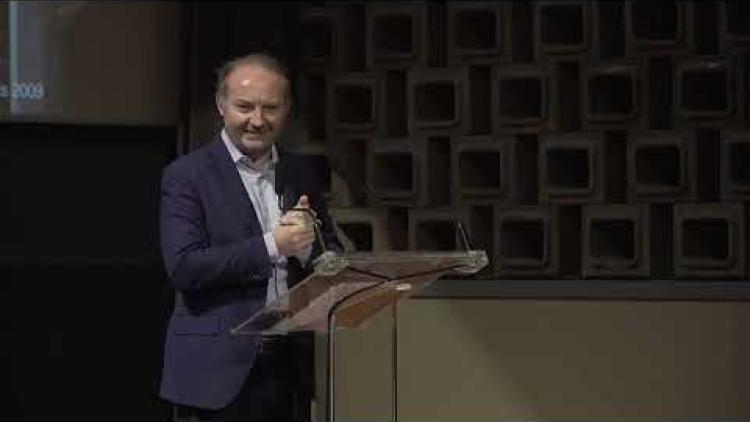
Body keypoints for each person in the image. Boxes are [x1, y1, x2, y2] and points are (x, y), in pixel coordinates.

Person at [158, 52, 340, 421]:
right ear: (221, 106)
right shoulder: (187, 175)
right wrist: (274, 244)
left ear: (286, 110)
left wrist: (311, 251)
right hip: (218, 373)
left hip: (289, 367)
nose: (257, 120)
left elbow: (329, 249)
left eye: (270, 108)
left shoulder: (300, 172)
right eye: (245, 107)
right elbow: (185, 267)